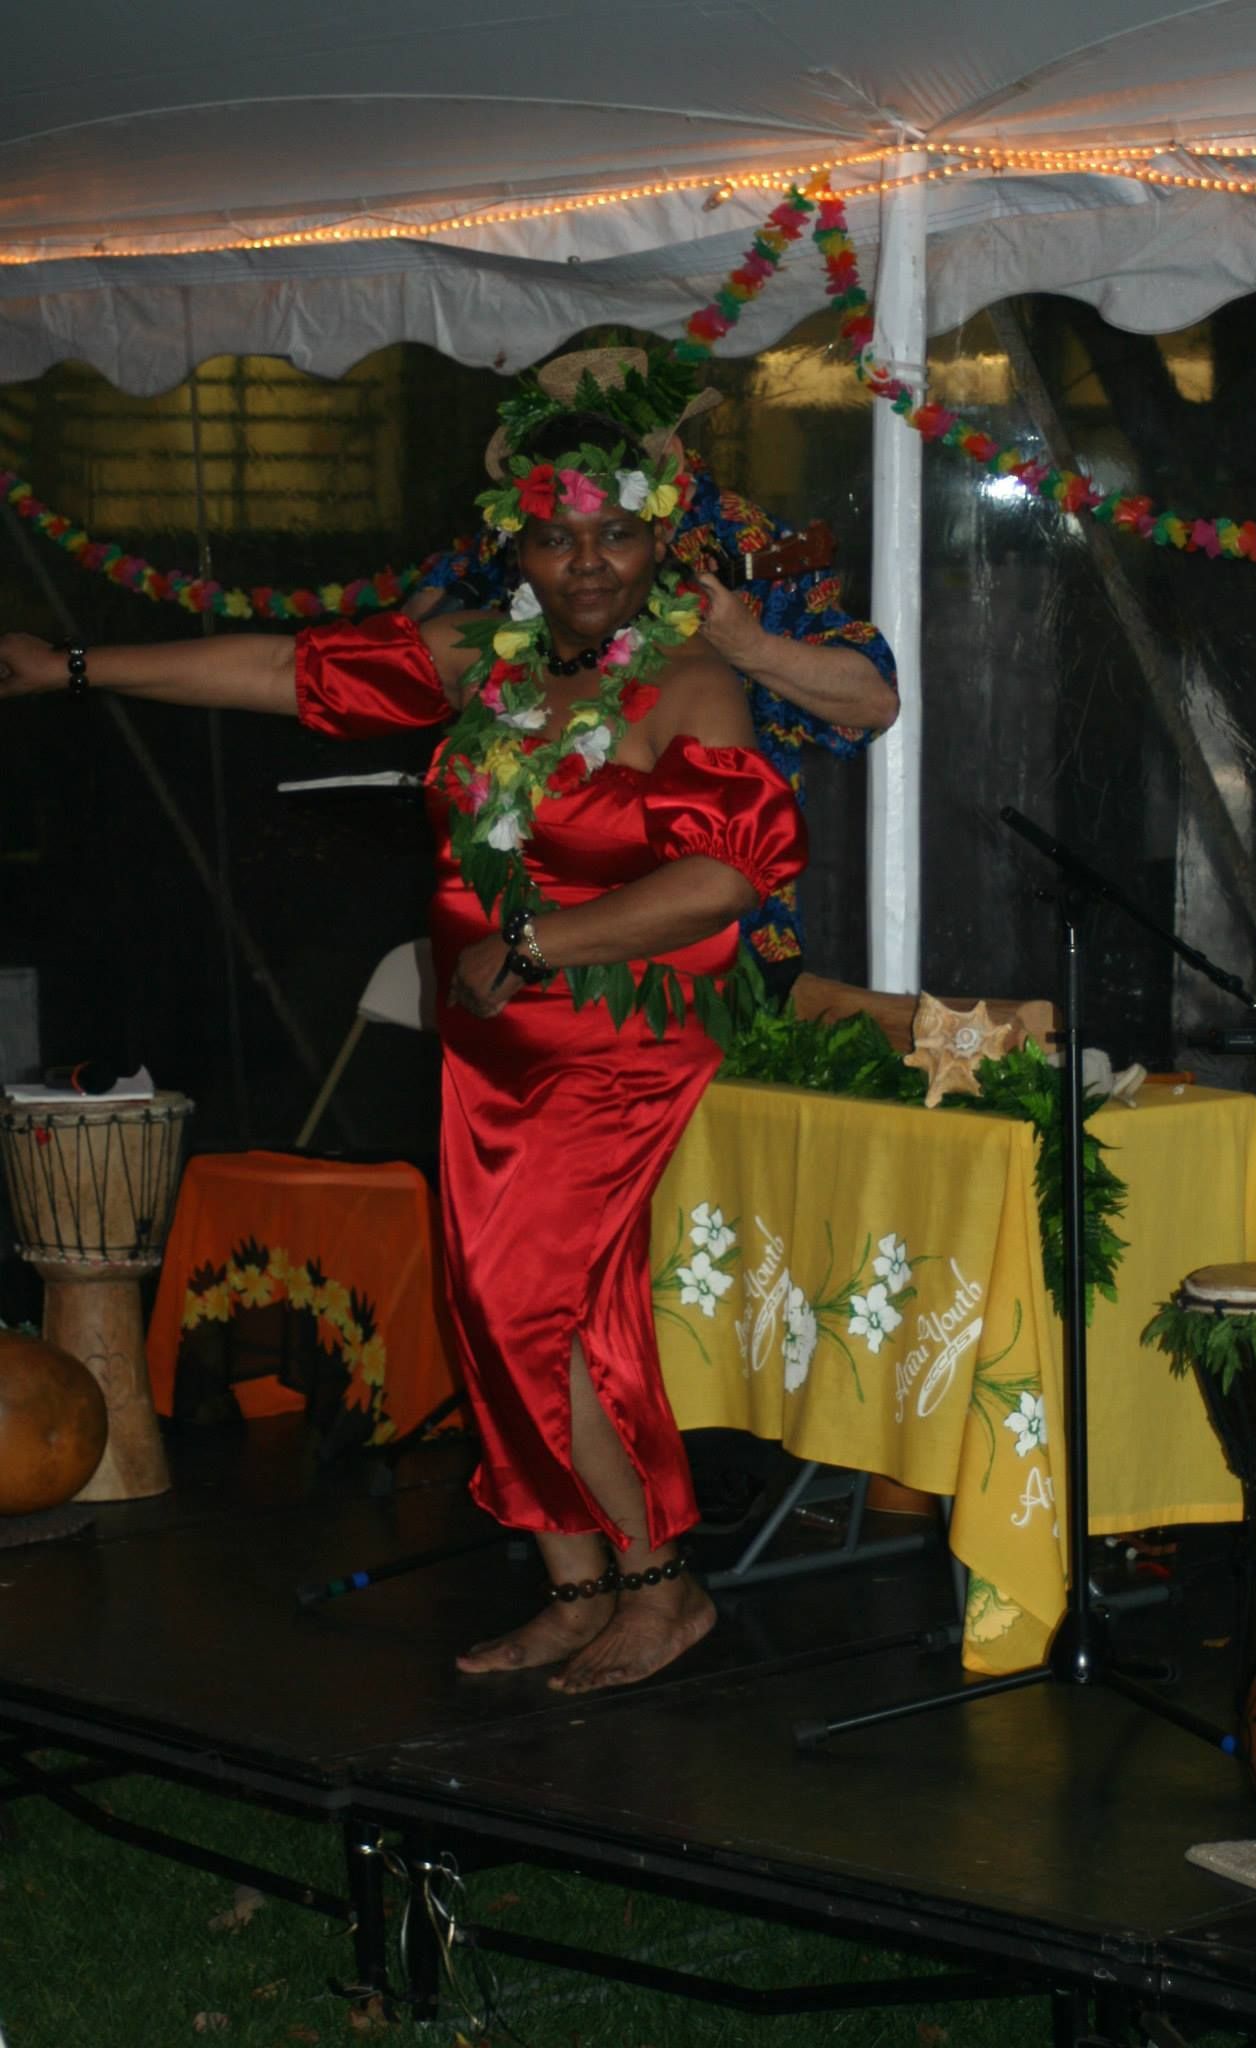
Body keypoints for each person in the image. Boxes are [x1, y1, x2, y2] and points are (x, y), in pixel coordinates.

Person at [0, 407, 806, 1696]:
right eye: (557, 536)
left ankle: (663, 1588)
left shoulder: (691, 682)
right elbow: (284, 671)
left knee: (522, 1309)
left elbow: (722, 879)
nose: (588, 562)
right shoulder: (481, 662)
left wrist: (540, 941)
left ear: (660, 537)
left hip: (609, 1044)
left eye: (614, 534)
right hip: (491, 1048)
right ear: (517, 547)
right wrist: (78, 667)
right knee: (524, 1316)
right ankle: (577, 1583)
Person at [408, 346, 897, 994]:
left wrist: (748, 646)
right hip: (521, 909)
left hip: (709, 928)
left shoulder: (741, 538)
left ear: (665, 450)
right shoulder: (527, 535)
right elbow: (414, 639)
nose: (590, 463)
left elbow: (874, 701)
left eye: (614, 445)